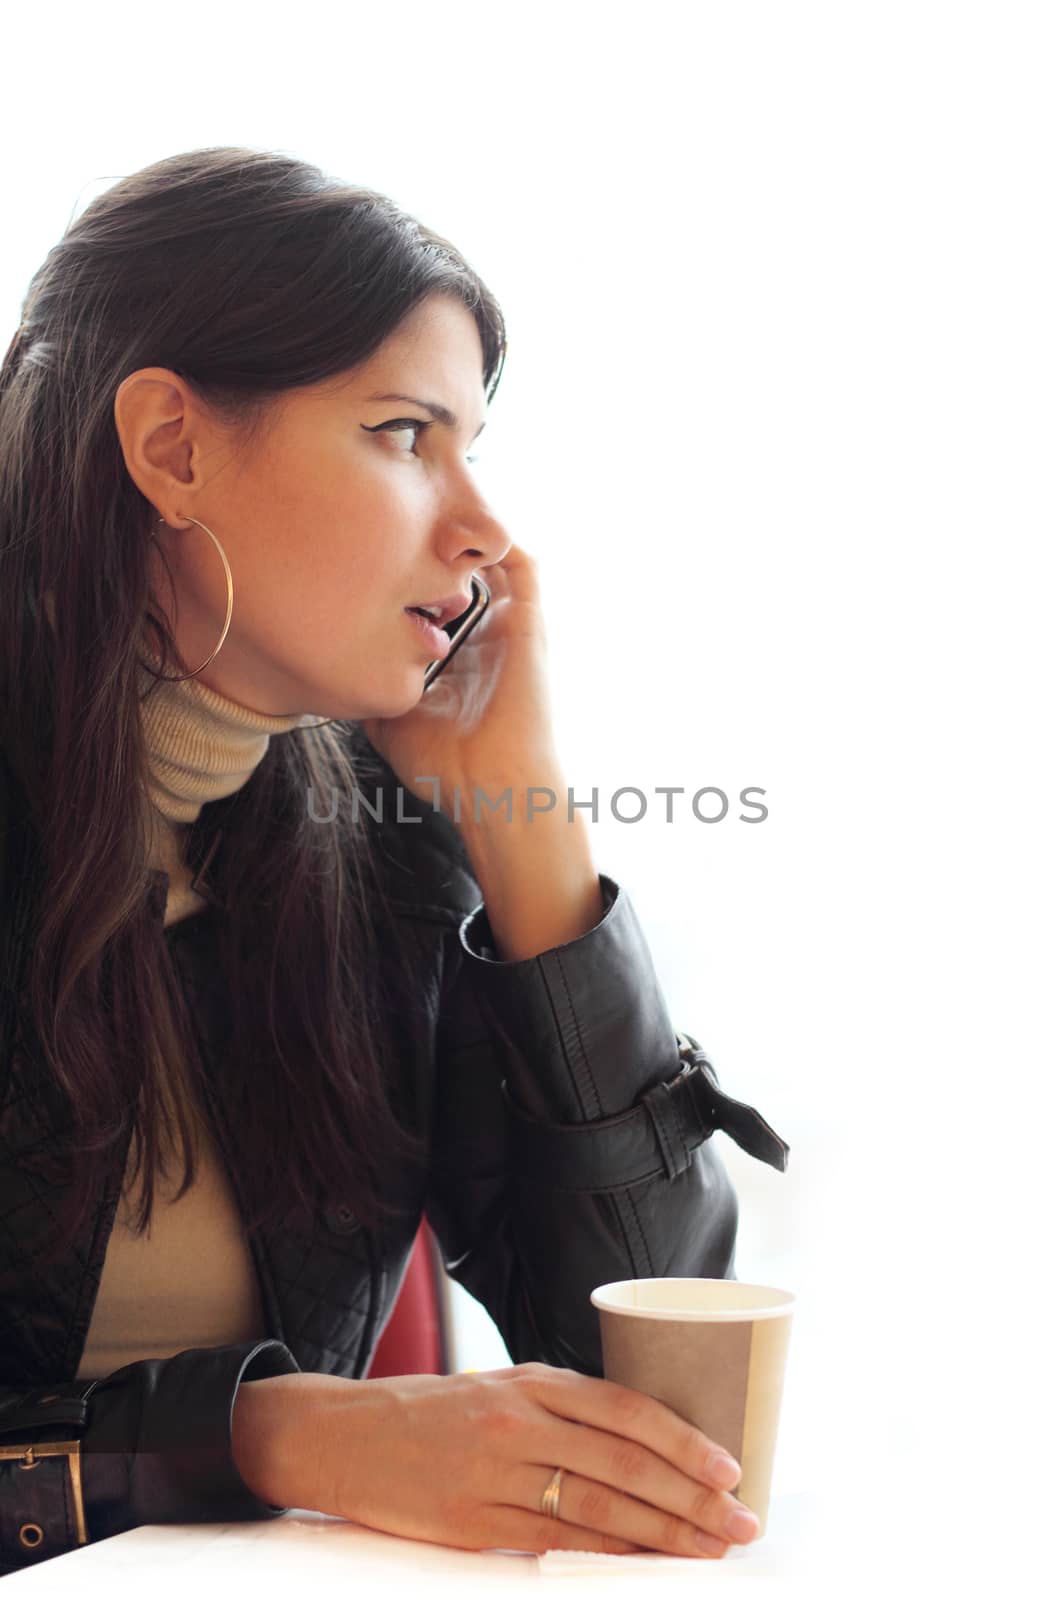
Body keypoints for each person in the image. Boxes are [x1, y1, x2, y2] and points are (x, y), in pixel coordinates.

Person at [0, 145, 789, 1577]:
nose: (484, 533)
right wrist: (267, 1435)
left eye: (471, 449)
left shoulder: (372, 851)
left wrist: (524, 823)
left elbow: (652, 1372)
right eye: (404, 435)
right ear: (171, 447)